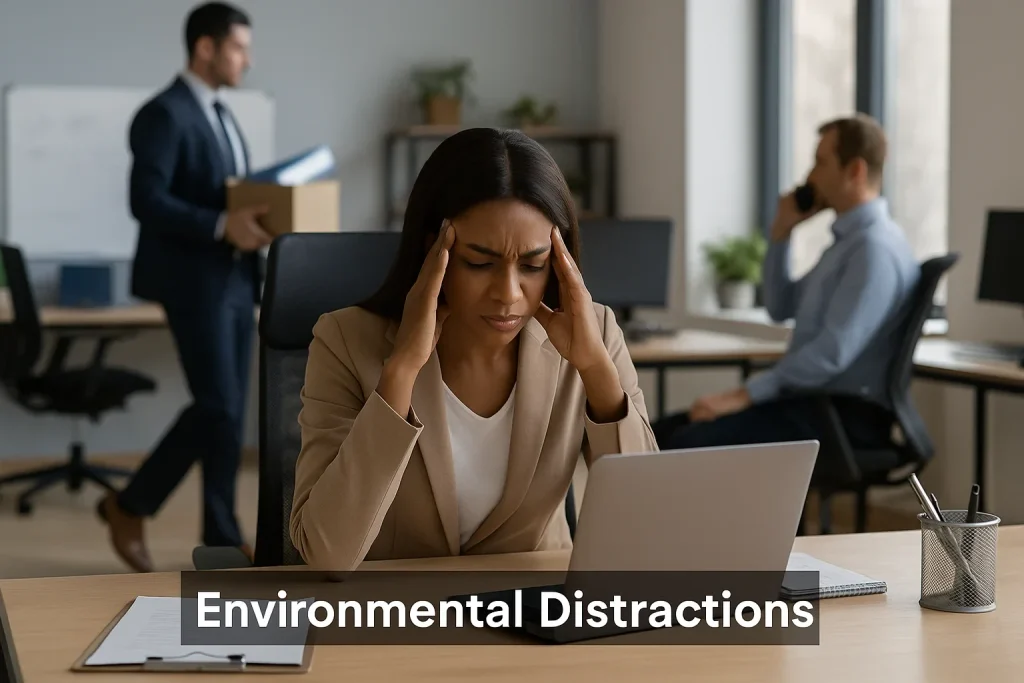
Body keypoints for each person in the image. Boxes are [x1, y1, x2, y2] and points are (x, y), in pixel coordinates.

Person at [289, 128, 658, 571]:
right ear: (433, 251)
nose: (508, 293)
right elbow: (328, 555)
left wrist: (595, 369)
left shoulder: (593, 334)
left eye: (533, 265)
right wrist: (401, 372)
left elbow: (647, 528)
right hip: (395, 618)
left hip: (533, 613)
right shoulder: (345, 341)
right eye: (480, 263)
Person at [97, 2, 272, 572]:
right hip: (192, 282)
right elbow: (145, 200)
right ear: (206, 47)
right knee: (217, 405)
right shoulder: (164, 114)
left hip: (235, 279)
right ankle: (131, 504)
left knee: (227, 410)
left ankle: (221, 539)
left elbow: (221, 193)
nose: (248, 59)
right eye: (239, 47)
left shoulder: (222, 114)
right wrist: (224, 224)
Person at [654, 114, 920, 453]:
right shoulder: (846, 245)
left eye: (820, 163)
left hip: (840, 416)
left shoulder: (873, 250)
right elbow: (781, 307)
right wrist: (781, 234)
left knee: (684, 444)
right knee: (659, 432)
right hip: (811, 404)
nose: (810, 176)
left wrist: (743, 395)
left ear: (855, 171)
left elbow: (829, 355)